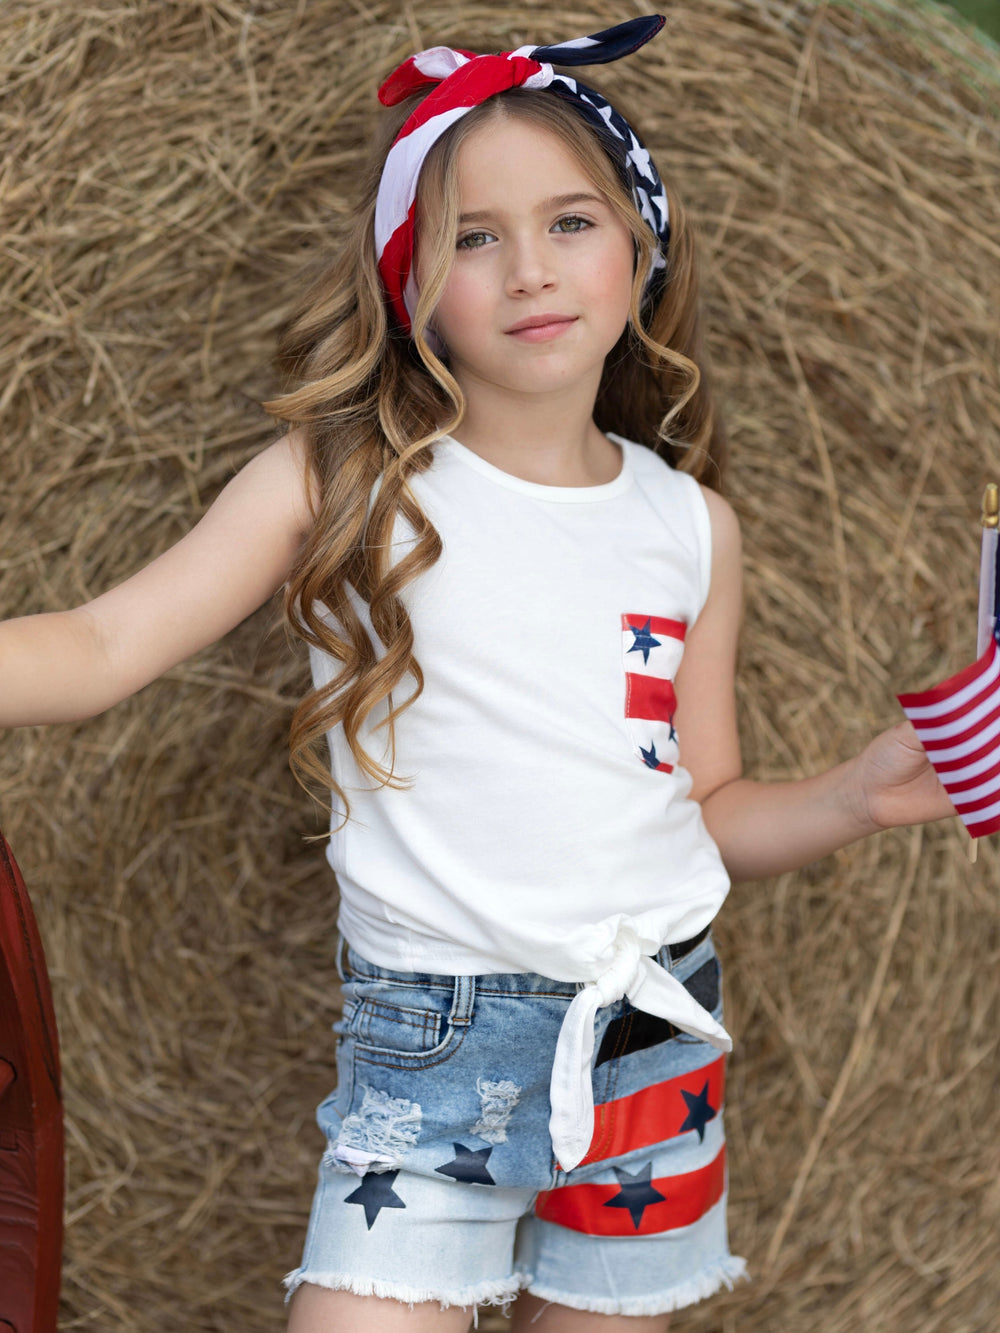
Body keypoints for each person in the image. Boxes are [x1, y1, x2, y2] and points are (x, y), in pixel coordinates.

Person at [0, 15, 956, 1333]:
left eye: (571, 222)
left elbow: (709, 806)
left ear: (639, 247)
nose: (531, 271)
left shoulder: (691, 526)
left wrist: (856, 794)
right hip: (433, 1047)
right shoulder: (346, 481)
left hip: (650, 1041)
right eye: (472, 237)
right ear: (411, 283)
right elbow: (103, 645)